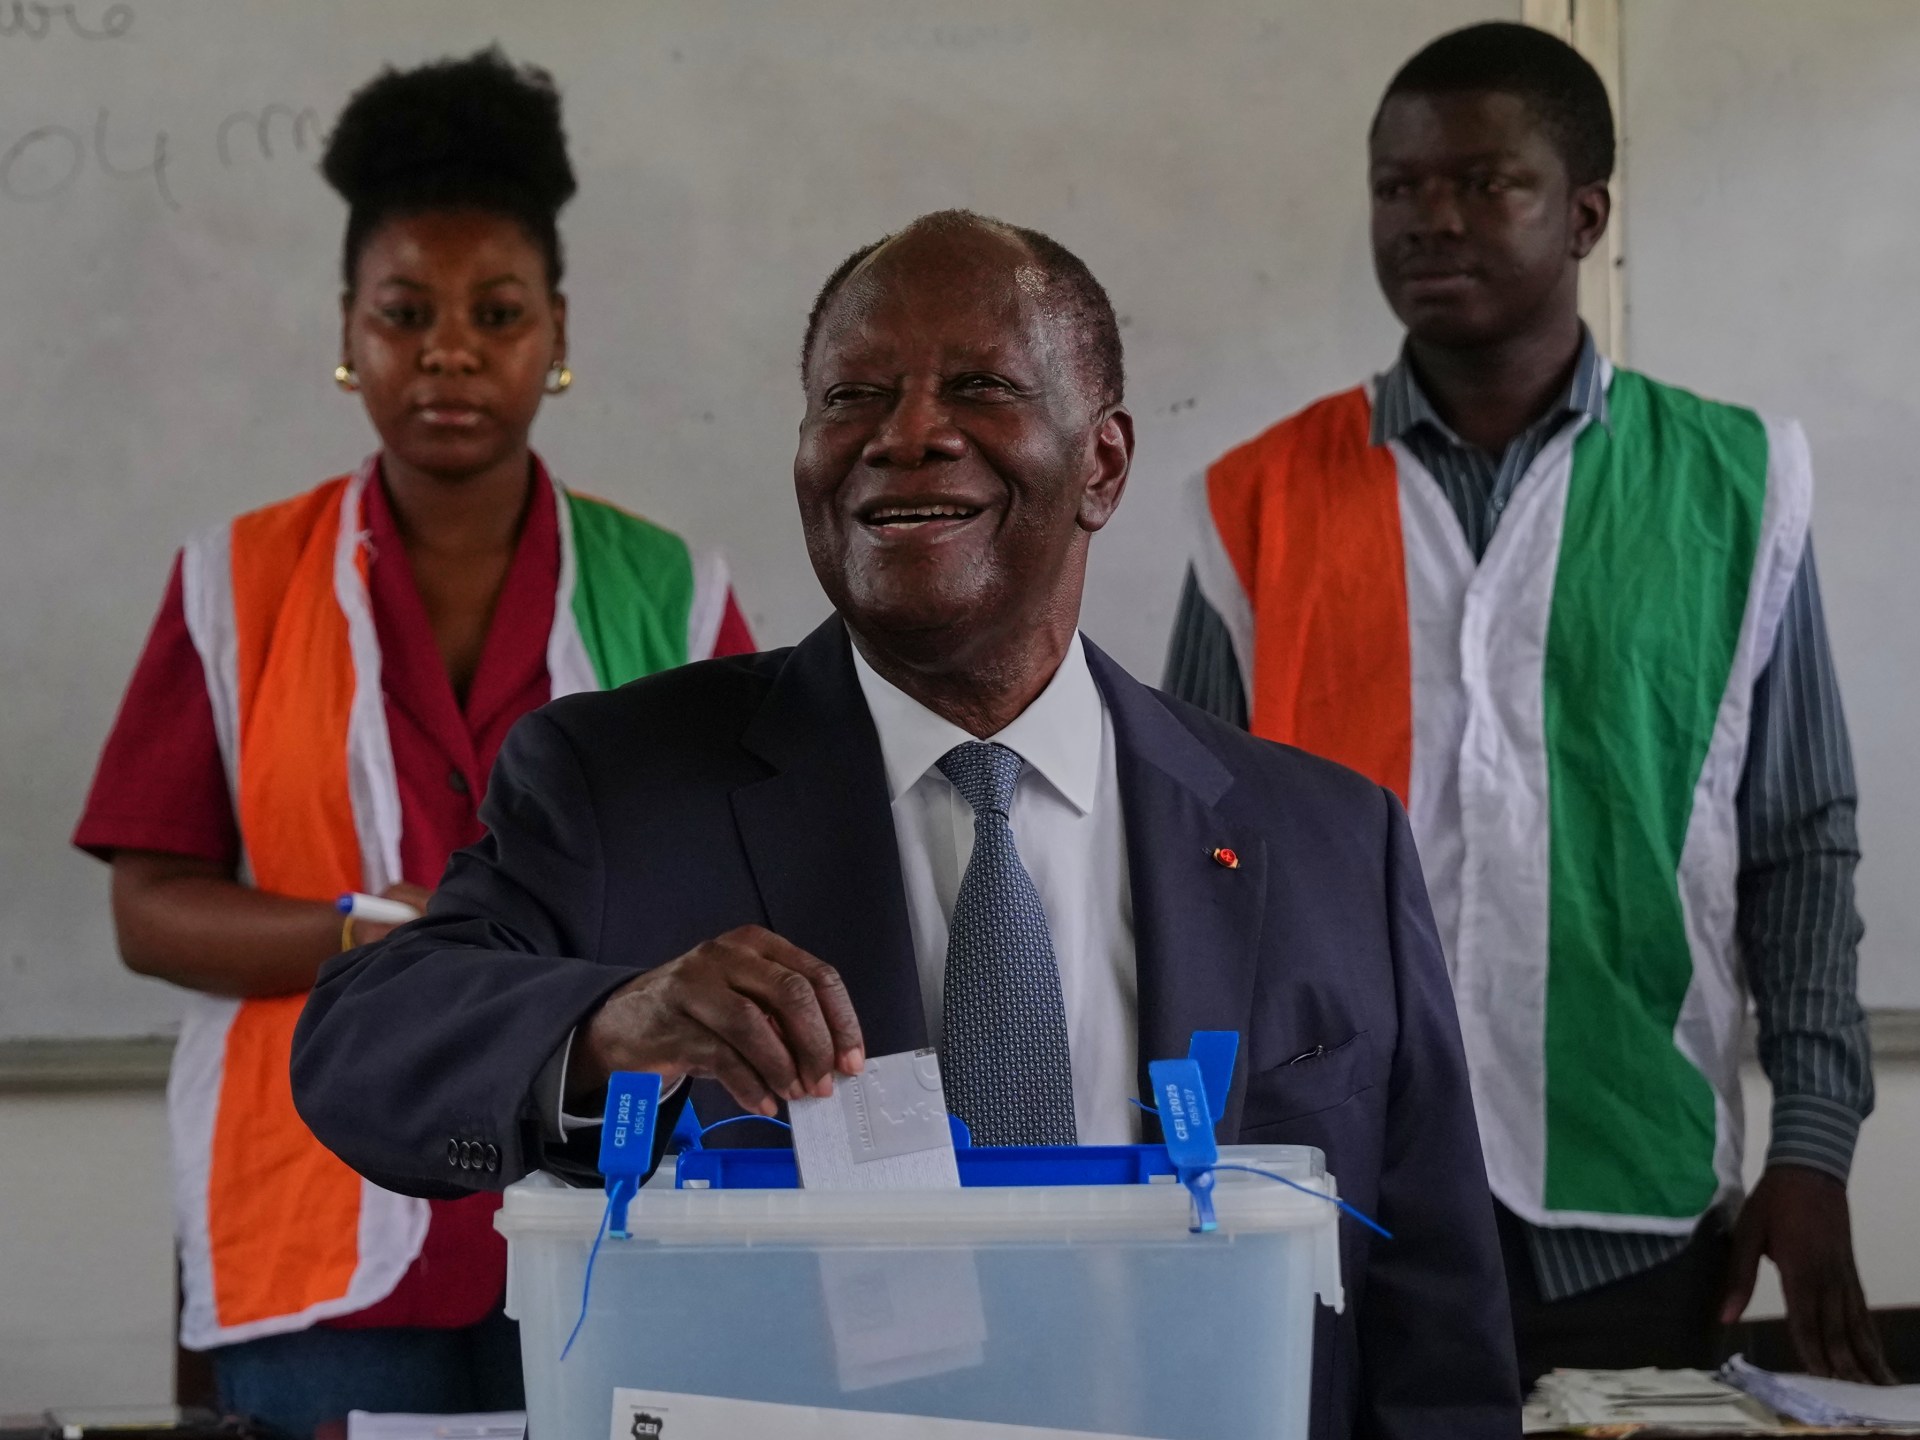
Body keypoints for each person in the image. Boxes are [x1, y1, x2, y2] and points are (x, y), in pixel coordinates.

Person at [291, 209, 1520, 1438]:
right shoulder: (621, 783)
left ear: (1102, 465)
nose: (907, 434)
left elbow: (1435, 1335)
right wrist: (612, 1027)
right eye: (853, 397)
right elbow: (363, 1045)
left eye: (981, 387)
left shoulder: (1328, 840)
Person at [1164, 22, 1886, 1387]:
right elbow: (1187, 864)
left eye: (1485, 182)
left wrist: (1813, 1144)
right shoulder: (1255, 500)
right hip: (1329, 1198)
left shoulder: (1737, 483)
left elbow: (1799, 840)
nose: (1429, 219)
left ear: (1585, 216)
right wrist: (1185, 1163)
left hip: (1628, 1203)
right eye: (1397, 186)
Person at [72, 49, 754, 1433]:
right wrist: (374, 936)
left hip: (614, 1209)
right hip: (315, 1225)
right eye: (405, 313)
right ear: (350, 330)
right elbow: (150, 911)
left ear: (555, 332)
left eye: (496, 313)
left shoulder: (675, 591)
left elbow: (754, 880)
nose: (449, 350)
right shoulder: (234, 583)